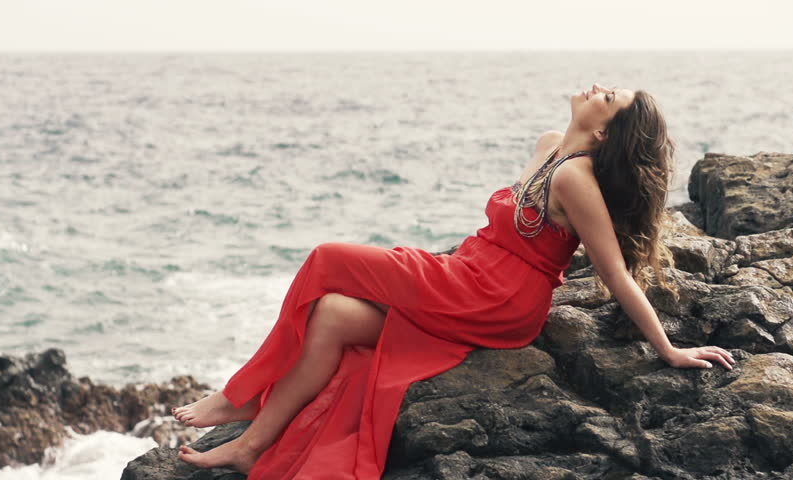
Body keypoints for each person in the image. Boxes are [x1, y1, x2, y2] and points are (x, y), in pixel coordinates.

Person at [171, 84, 736, 478]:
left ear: (607, 133)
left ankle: (238, 395)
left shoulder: (576, 179)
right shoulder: (548, 146)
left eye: (608, 97)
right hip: (468, 272)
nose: (596, 87)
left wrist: (670, 349)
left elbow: (613, 272)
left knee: (327, 256)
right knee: (333, 316)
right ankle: (250, 446)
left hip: (498, 299)